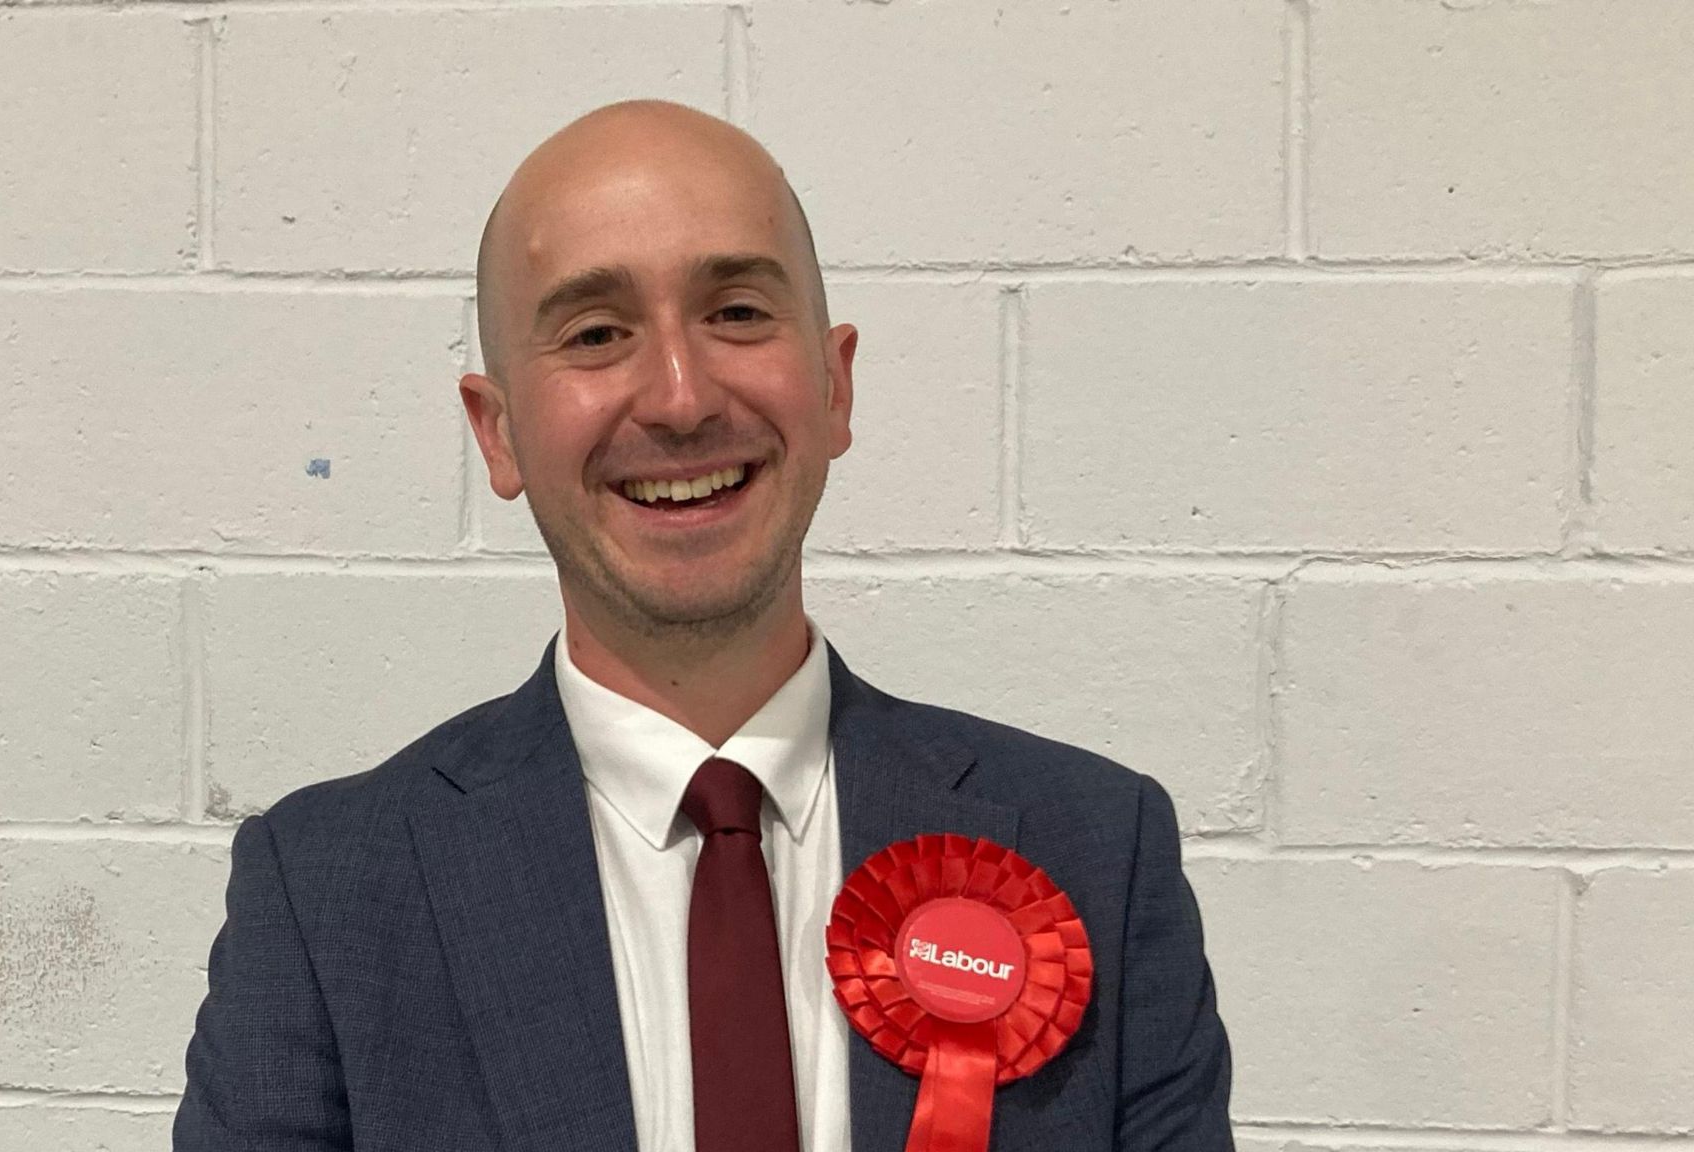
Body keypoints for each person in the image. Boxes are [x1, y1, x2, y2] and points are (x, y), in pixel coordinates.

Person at [174, 98, 1234, 1152]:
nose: (679, 398)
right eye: (595, 333)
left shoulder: (1095, 852)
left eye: (734, 312)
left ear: (832, 385)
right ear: (496, 435)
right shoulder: (326, 895)